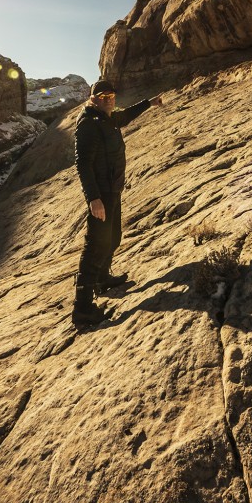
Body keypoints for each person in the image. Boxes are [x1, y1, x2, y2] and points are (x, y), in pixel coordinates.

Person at [72, 78, 162, 327]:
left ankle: (102, 279)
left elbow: (125, 116)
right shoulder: (89, 124)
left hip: (112, 190)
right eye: (103, 97)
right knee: (95, 246)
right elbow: (83, 164)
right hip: (101, 194)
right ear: (93, 99)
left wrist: (149, 103)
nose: (109, 100)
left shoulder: (107, 118)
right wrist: (93, 199)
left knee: (113, 237)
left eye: (112, 96)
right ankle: (82, 309)